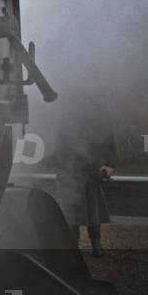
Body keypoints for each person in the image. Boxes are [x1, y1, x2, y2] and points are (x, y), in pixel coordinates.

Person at [53, 95, 117, 257]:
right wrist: (62, 167)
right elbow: (60, 142)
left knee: (93, 210)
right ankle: (72, 248)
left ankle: (96, 245)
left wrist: (109, 164)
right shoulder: (68, 113)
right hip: (69, 167)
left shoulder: (99, 112)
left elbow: (108, 140)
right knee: (71, 211)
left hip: (92, 169)